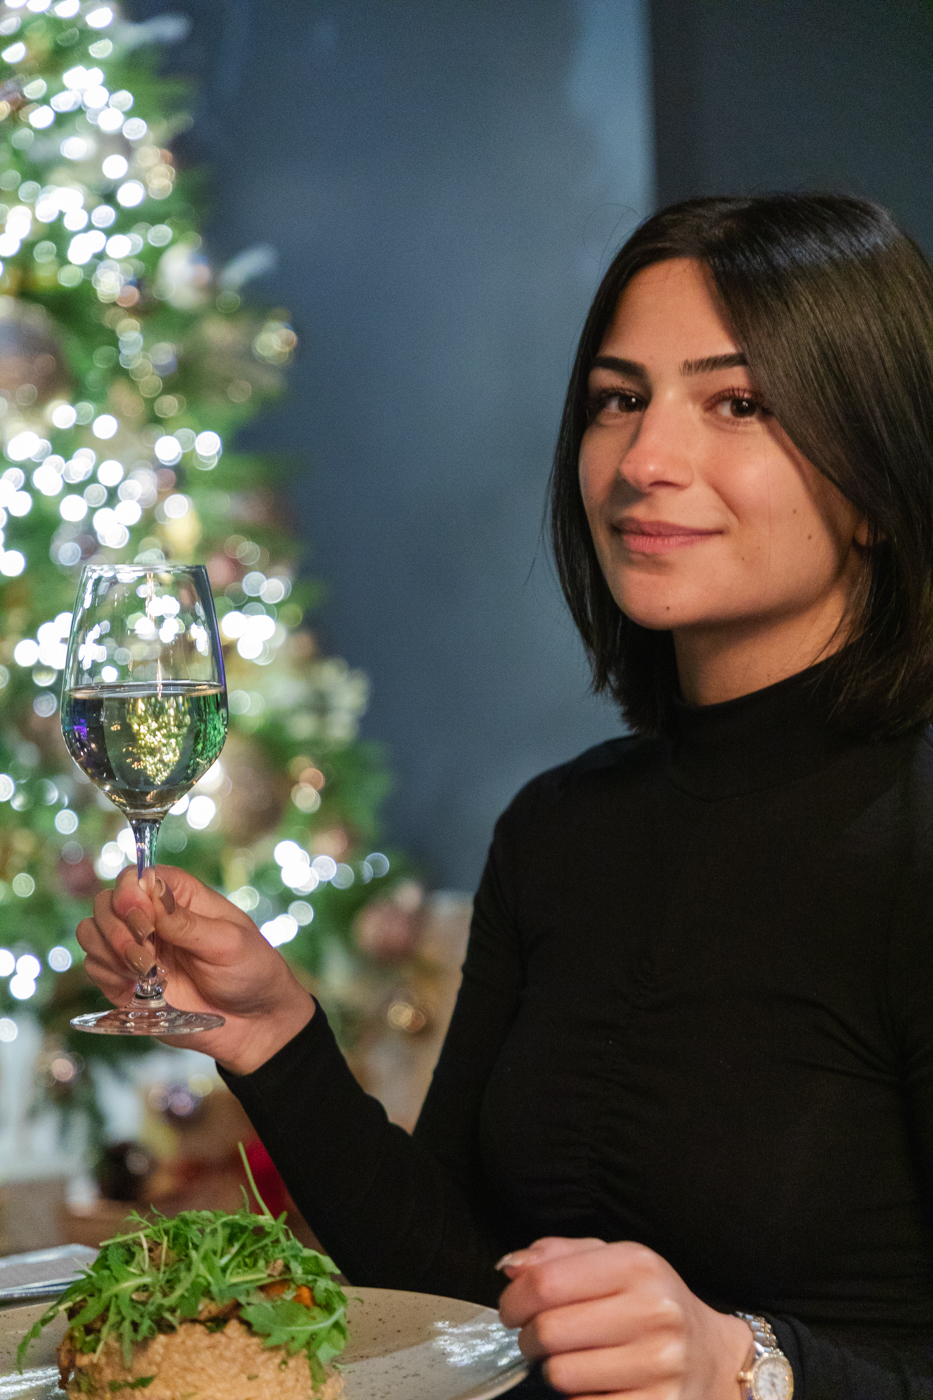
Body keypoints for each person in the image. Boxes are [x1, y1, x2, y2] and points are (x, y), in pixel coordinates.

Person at [78, 194, 933, 1400]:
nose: (644, 460)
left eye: (738, 402)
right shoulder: (562, 825)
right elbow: (460, 1300)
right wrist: (270, 1036)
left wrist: (750, 1366)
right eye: (619, 398)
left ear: (883, 479)